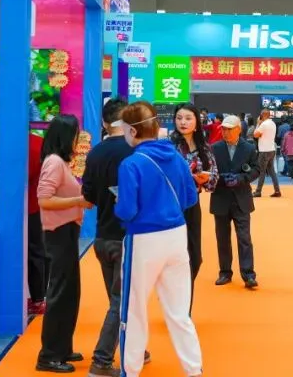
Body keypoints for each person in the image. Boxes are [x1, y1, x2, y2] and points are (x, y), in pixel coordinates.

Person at [116, 101, 203, 377]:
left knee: (134, 309)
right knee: (179, 312)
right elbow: (190, 198)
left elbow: (127, 210)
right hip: (177, 236)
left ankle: (131, 370)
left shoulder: (131, 164)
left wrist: (119, 205)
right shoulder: (176, 157)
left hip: (144, 239)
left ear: (132, 131)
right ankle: (194, 370)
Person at [81, 98, 148, 376]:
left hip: (103, 236)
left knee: (120, 297)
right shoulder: (136, 151)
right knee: (122, 300)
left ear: (104, 122)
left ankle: (136, 346)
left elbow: (88, 196)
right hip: (128, 238)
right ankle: (101, 360)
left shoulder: (95, 152)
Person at [36, 114, 90, 374]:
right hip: (58, 234)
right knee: (59, 294)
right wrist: (78, 201)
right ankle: (49, 355)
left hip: (67, 232)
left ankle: (62, 347)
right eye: (76, 135)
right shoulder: (54, 163)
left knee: (69, 293)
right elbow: (44, 199)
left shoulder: (60, 163)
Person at [169, 102, 218, 314]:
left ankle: (180, 304)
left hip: (192, 205)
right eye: (179, 118)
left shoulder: (205, 148)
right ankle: (181, 310)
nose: (183, 122)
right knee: (173, 258)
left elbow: (213, 180)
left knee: (194, 257)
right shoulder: (168, 146)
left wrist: (202, 179)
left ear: (197, 122)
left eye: (188, 118)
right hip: (170, 206)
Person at [210, 114, 260, 289]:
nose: (225, 132)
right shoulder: (214, 148)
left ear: (239, 129)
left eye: (229, 129)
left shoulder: (249, 148)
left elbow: (257, 169)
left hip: (241, 199)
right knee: (222, 238)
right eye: (223, 129)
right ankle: (225, 272)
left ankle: (248, 275)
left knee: (244, 238)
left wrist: (241, 178)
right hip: (220, 198)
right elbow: (209, 170)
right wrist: (220, 178)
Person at [27, 130, 48, 316]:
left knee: (34, 252)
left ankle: (37, 298)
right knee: (39, 251)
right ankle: (39, 296)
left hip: (29, 206)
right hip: (39, 204)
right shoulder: (38, 142)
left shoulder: (27, 146)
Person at [253, 110, 281, 197]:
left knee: (262, 172)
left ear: (262, 115)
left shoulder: (264, 124)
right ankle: (277, 191)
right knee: (272, 172)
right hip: (271, 150)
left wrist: (258, 124)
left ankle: (258, 191)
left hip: (264, 151)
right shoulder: (273, 124)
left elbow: (255, 135)